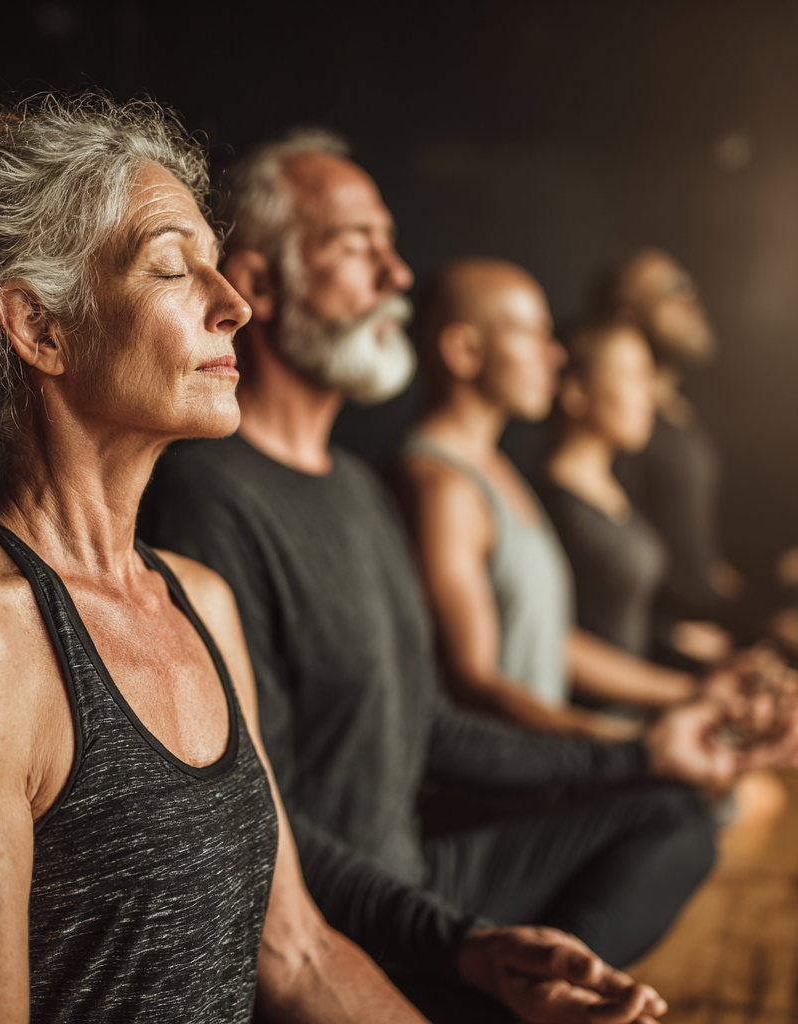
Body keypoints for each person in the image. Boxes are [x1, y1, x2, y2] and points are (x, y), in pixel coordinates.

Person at [146, 132, 793, 1023]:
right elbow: (262, 831)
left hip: (421, 875)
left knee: (672, 815)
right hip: (338, 928)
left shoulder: (357, 488)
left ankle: (537, 987)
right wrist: (458, 940)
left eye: (392, 245)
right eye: (359, 246)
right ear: (257, 284)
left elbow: (434, 726)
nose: (398, 275)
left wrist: (645, 751)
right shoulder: (207, 500)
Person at [0, 94, 448, 1024]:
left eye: (218, 263)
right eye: (174, 268)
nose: (234, 305)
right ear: (40, 328)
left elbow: (298, 954)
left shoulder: (202, 601)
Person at [402, 259, 700, 739]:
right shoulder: (442, 487)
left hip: (549, 757)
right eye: (532, 334)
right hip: (504, 774)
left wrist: (690, 692)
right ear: (464, 350)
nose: (556, 355)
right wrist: (632, 746)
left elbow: (551, 639)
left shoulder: (497, 470)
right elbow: (475, 683)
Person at [594, 249, 738, 664]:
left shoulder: (682, 413)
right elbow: (616, 564)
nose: (691, 300)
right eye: (672, 291)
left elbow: (700, 558)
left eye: (688, 286)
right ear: (628, 317)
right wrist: (669, 632)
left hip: (712, 622)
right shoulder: (626, 429)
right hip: (665, 650)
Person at [537, 319, 666, 660]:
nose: (650, 394)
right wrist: (682, 685)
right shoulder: (551, 506)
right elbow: (555, 638)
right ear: (576, 392)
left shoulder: (617, 483)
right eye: (633, 376)